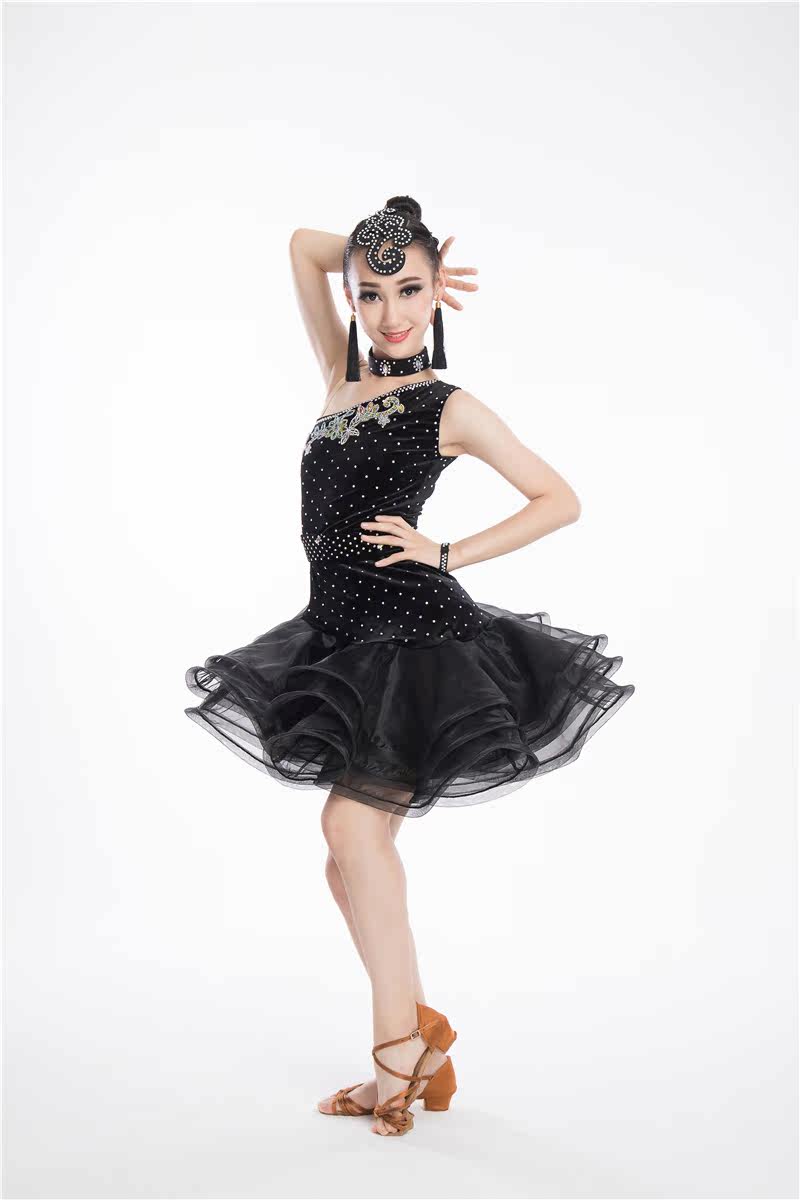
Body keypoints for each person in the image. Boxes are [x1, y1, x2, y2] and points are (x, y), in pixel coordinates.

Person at [184, 195, 635, 1137]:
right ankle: (422, 1038)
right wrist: (386, 245)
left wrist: (447, 552)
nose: (391, 314)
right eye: (372, 294)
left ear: (439, 295)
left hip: (413, 641)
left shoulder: (448, 406)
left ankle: (397, 1058)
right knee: (343, 864)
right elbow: (302, 247)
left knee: (350, 831)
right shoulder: (339, 376)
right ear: (353, 298)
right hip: (337, 639)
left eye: (412, 291)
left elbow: (559, 499)